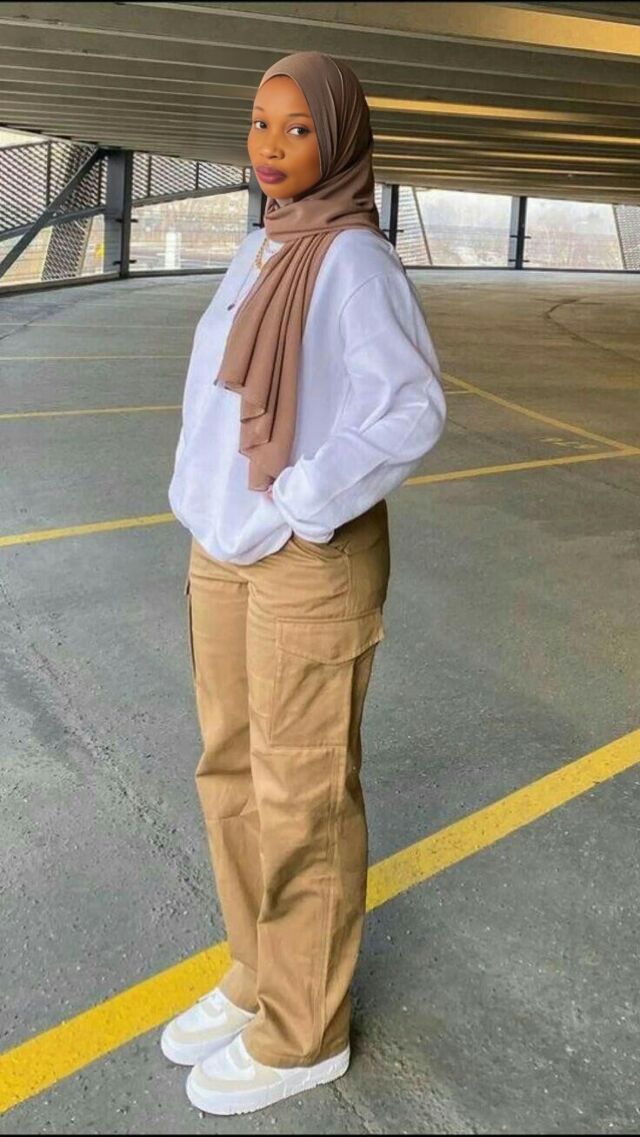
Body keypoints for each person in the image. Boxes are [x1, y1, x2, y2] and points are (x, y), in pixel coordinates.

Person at [161, 50, 447, 1117]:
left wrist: (305, 498)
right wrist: (202, 500)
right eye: (259, 124)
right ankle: (257, 970)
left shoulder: (355, 261)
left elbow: (411, 406)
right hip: (223, 549)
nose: (271, 148)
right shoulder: (262, 244)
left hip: (302, 559)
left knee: (304, 794)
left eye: (298, 129)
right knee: (231, 772)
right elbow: (214, 398)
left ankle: (304, 1030)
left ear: (341, 140)